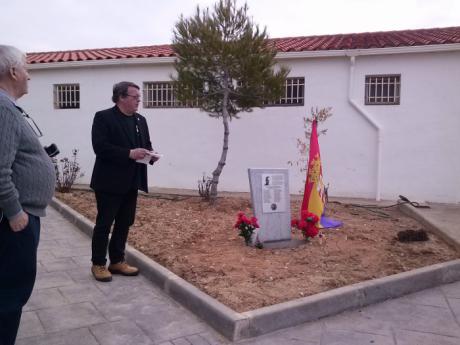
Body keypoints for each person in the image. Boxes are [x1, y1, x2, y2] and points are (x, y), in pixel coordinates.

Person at [0, 45, 55, 345]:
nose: (29, 75)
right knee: (9, 296)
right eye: (25, 68)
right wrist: (15, 212)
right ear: (12, 71)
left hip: (19, 216)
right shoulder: (3, 108)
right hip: (14, 221)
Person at [90, 81, 157, 282]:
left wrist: (151, 154)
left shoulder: (140, 120)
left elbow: (146, 145)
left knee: (125, 222)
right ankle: (98, 264)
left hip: (131, 181)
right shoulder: (104, 118)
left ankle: (117, 261)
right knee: (104, 224)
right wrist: (129, 153)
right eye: (135, 96)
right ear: (121, 97)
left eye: (139, 97)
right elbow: (100, 147)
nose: (139, 100)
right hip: (109, 182)